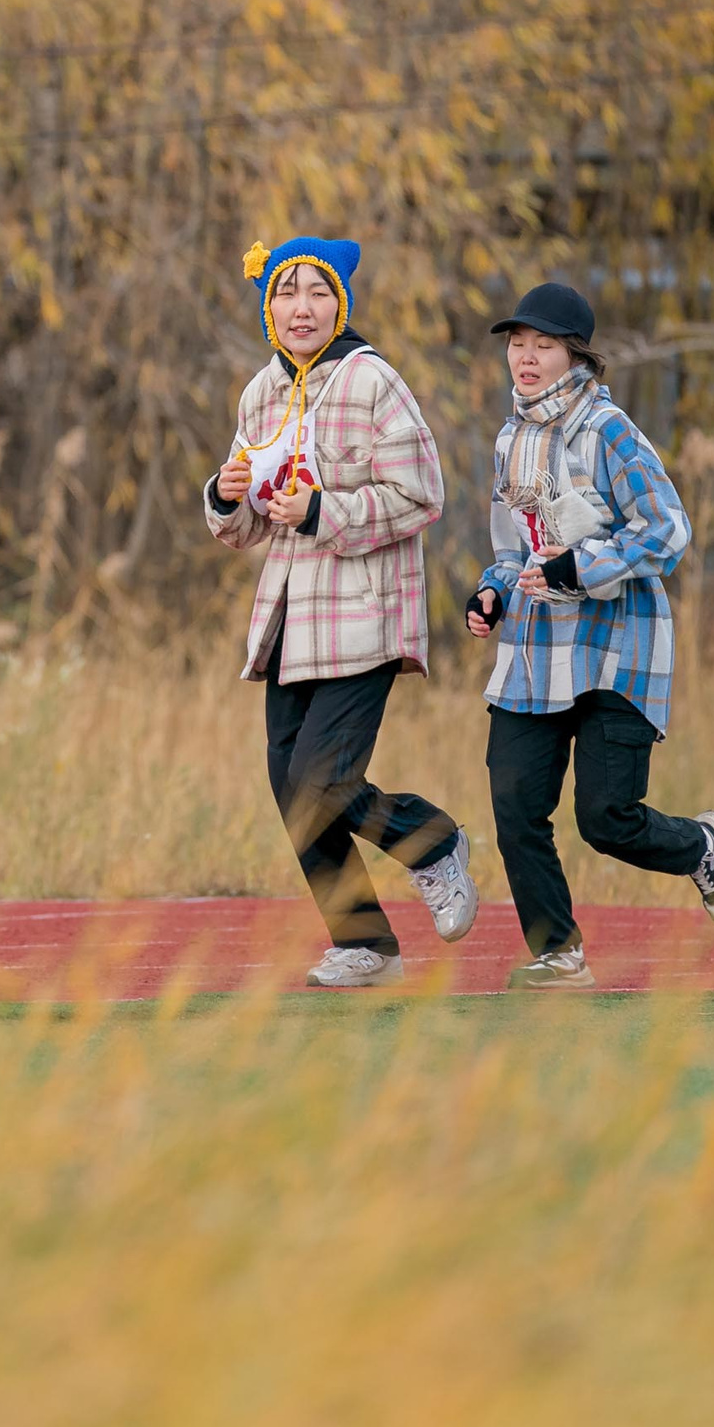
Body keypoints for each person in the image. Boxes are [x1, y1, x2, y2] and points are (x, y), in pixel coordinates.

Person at [206, 236, 478, 989]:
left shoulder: (373, 381)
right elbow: (247, 527)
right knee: (292, 787)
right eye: (287, 293)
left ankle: (433, 842)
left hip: (366, 612)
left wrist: (325, 508)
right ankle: (365, 944)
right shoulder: (261, 392)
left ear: (341, 304)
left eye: (317, 293)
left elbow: (423, 495)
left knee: (324, 777)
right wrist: (227, 496)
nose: (301, 307)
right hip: (289, 622)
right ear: (269, 308)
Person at [466, 282, 714, 990]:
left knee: (606, 817)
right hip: (536, 650)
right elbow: (511, 547)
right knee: (515, 801)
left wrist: (576, 567)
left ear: (575, 355)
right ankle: (558, 950)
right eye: (517, 344)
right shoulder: (510, 439)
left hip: (618, 648)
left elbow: (668, 530)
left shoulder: (608, 429)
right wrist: (493, 590)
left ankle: (702, 846)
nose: (526, 359)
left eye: (544, 345)